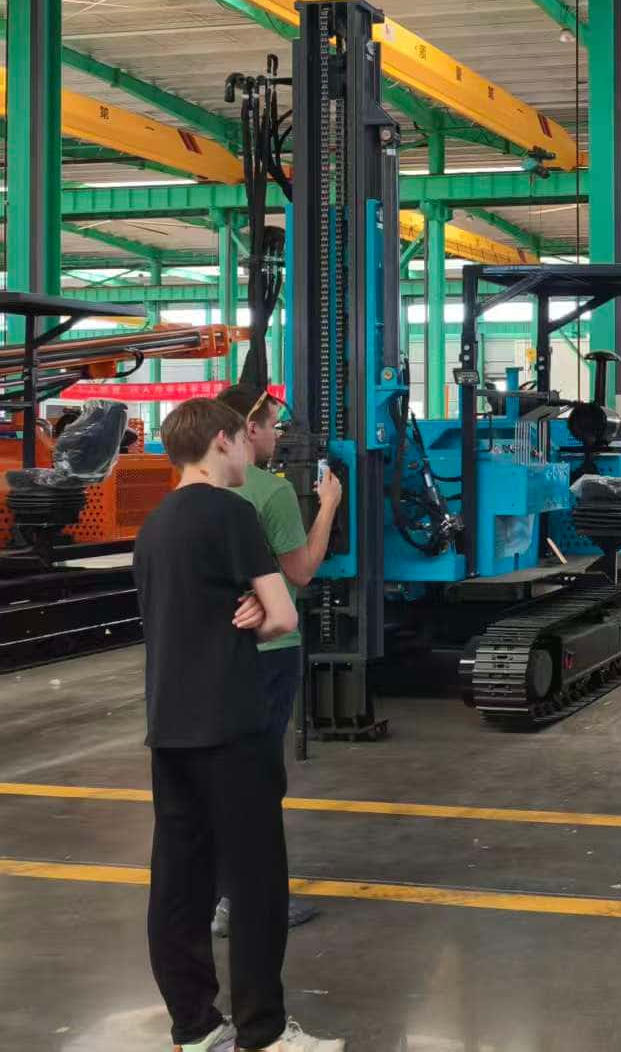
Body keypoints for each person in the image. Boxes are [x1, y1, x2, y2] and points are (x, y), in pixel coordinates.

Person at [136, 398, 343, 1052]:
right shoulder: (232, 512)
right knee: (256, 881)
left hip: (169, 726)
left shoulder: (155, 525)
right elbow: (283, 616)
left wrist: (247, 603)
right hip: (232, 721)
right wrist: (260, 609)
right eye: (245, 442)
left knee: (180, 880)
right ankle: (264, 1033)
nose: (251, 454)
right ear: (223, 441)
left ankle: (194, 1027)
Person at [211, 383, 344, 937]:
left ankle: (221, 894)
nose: (277, 435)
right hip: (269, 651)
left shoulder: (196, 489)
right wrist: (329, 505)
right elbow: (302, 571)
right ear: (249, 429)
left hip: (215, 652)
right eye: (271, 426)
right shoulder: (272, 492)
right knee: (262, 780)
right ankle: (253, 901)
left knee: (223, 775)